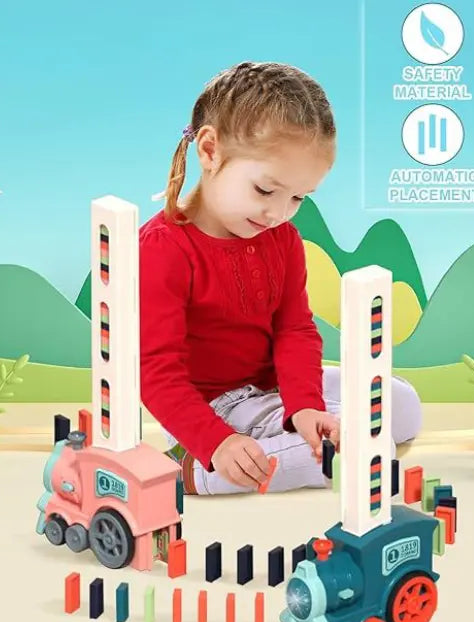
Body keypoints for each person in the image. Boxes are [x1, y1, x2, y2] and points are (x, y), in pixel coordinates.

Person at [139, 61, 422, 495]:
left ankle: (300, 432)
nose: (278, 213)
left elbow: (295, 330)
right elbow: (156, 372)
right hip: (211, 411)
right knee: (340, 454)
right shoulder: (163, 249)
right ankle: (191, 471)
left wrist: (304, 406)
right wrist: (216, 442)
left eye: (298, 198)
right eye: (266, 191)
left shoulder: (282, 240)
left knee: (402, 408)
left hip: (274, 388)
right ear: (210, 151)